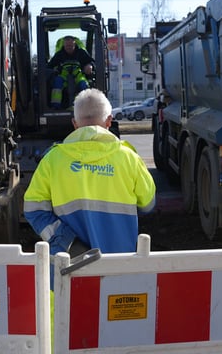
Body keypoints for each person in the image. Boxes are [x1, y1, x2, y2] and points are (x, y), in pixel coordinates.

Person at [24, 88, 156, 256]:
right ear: (109, 121)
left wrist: (69, 243)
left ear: (75, 123)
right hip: (119, 264)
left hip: (69, 266)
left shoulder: (52, 159)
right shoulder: (130, 158)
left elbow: (33, 210)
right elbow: (148, 204)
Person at [47, 35, 95, 109]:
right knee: (57, 82)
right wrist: (54, 71)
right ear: (64, 45)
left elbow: (91, 62)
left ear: (74, 44)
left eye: (70, 45)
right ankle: (55, 107)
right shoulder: (59, 54)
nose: (68, 47)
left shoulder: (81, 53)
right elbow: (49, 66)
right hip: (64, 77)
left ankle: (86, 107)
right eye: (66, 45)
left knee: (83, 84)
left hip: (78, 76)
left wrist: (90, 66)